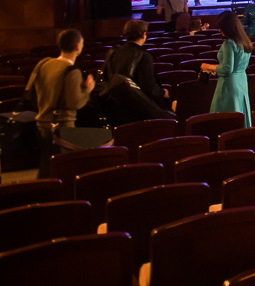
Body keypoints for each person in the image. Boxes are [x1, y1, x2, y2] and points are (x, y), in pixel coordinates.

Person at [25, 29, 95, 177]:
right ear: (77, 47)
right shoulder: (72, 71)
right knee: (61, 170)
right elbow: (75, 103)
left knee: (46, 166)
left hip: (42, 123)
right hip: (62, 127)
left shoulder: (44, 63)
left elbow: (30, 93)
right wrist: (87, 90)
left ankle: (43, 195)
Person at [101, 19, 172, 125]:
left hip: (116, 110)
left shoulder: (113, 52)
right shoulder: (144, 56)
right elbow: (149, 88)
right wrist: (163, 92)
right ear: (144, 35)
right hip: (136, 113)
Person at [202, 11, 252, 125]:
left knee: (226, 120)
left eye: (221, 28)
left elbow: (227, 69)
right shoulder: (245, 41)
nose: (220, 30)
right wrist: (215, 68)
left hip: (229, 84)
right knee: (240, 113)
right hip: (242, 81)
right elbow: (234, 65)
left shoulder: (229, 43)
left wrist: (207, 66)